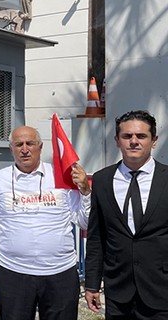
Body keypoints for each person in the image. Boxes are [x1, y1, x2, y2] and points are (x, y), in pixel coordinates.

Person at [0, 126, 90, 320]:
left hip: (60, 272)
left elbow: (84, 222)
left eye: (30, 144)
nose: (24, 149)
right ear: (11, 149)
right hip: (13, 273)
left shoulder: (62, 176)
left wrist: (85, 191)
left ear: (40, 147)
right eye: (18, 144)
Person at [85, 110, 168, 318]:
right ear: (117, 140)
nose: (134, 141)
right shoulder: (102, 180)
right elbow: (97, 237)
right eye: (127, 136)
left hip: (162, 291)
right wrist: (92, 284)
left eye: (141, 136)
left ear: (154, 140)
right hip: (118, 292)